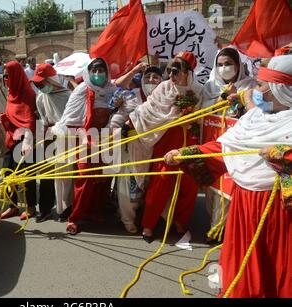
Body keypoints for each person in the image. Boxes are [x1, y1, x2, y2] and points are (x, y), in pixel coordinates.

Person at [164, 55, 292, 298]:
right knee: (241, 263)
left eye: (263, 85)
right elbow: (224, 149)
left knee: (277, 267)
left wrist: (284, 156)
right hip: (244, 203)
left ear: (281, 90)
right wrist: (187, 154)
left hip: (279, 212)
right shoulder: (254, 119)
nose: (257, 90)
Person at [128, 51, 203, 242]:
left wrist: (192, 120)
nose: (171, 75)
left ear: (188, 72)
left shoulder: (198, 91)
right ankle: (148, 224)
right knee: (160, 181)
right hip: (166, 139)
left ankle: (180, 221)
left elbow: (204, 116)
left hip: (189, 141)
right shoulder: (163, 88)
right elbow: (148, 110)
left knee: (190, 183)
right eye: (169, 70)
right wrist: (129, 123)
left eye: (176, 71)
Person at [51, 58, 116, 235]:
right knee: (85, 178)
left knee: (102, 178)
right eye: (93, 71)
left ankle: (94, 212)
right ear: (88, 73)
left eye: (101, 70)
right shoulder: (82, 89)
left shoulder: (111, 90)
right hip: (85, 140)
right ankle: (75, 217)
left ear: (106, 72)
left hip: (105, 140)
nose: (97, 74)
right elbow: (70, 117)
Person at [202, 47, 257, 243]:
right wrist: (221, 98)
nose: (224, 68)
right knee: (212, 186)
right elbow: (203, 112)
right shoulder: (209, 87)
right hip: (213, 140)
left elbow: (256, 113)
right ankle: (215, 222)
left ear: (238, 65)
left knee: (228, 187)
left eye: (229, 64)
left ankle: (218, 230)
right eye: (220, 64)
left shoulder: (250, 86)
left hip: (237, 144)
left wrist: (240, 98)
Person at [110, 64, 164, 233]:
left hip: (156, 149)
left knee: (150, 186)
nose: (151, 80)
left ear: (162, 81)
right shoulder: (131, 96)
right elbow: (115, 113)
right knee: (129, 185)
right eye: (147, 77)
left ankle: (145, 214)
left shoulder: (167, 98)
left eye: (155, 77)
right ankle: (128, 219)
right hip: (131, 149)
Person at [30, 63, 73, 222]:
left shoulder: (69, 96)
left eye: (42, 83)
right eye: (37, 83)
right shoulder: (41, 97)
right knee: (46, 173)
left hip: (66, 138)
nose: (39, 86)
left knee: (65, 175)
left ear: (51, 80)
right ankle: (46, 209)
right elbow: (42, 118)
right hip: (48, 138)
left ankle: (66, 207)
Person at [0, 61, 38, 220]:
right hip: (11, 139)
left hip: (25, 141)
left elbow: (29, 120)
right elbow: (13, 116)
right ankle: (12, 206)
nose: (5, 79)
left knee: (26, 176)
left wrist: (27, 141)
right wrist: (6, 121)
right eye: (4, 76)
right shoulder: (10, 93)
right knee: (7, 175)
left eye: (8, 76)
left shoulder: (28, 93)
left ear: (16, 75)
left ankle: (31, 207)